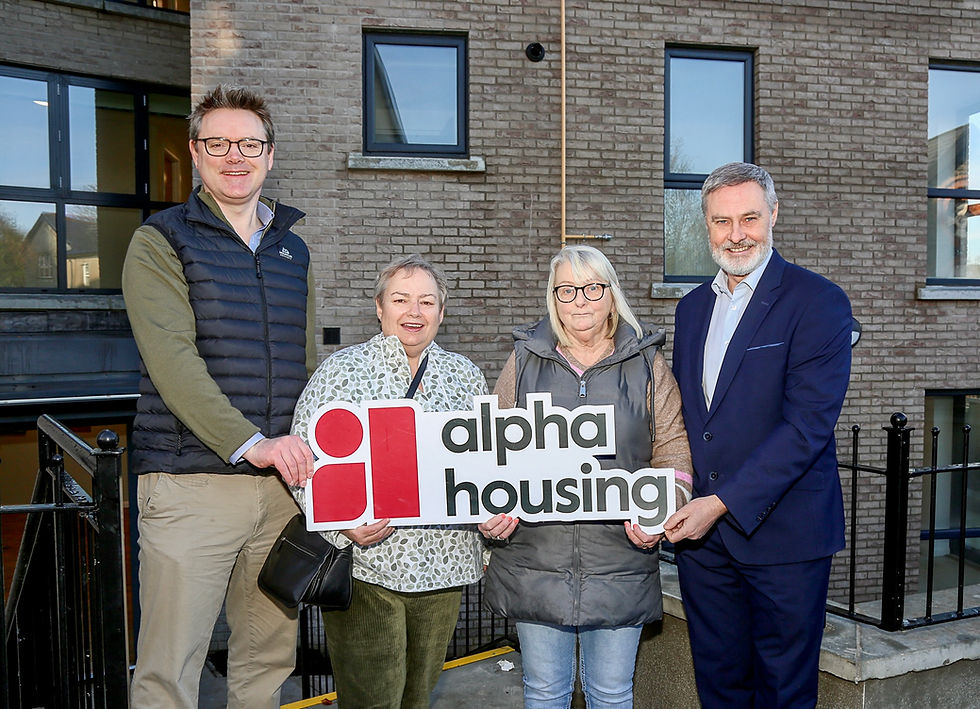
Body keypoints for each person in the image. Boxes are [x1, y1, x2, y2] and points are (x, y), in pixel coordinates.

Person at [122, 85, 316, 709]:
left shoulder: (293, 249)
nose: (236, 156)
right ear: (195, 153)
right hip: (188, 484)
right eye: (218, 143)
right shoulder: (161, 241)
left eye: (250, 144)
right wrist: (251, 443)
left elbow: (308, 363)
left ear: (270, 153)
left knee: (267, 661)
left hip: (282, 487)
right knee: (169, 668)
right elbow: (172, 362)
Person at [664, 162, 852, 709]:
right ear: (706, 226)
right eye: (722, 222)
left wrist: (719, 502)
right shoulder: (692, 307)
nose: (736, 233)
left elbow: (807, 426)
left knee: (785, 691)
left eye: (749, 217)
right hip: (706, 546)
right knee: (719, 686)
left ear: (774, 214)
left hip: (785, 539)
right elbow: (690, 419)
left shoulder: (818, 302)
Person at [480, 245, 693, 709]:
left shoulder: (648, 367)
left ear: (611, 295)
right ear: (553, 299)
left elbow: (673, 449)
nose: (581, 299)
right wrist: (489, 507)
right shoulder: (523, 361)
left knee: (612, 694)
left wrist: (663, 509)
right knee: (544, 692)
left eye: (593, 287)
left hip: (619, 559)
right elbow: (490, 452)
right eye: (567, 289)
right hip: (536, 560)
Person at [289, 253, 488, 709]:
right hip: (369, 566)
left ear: (441, 311)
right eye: (400, 299)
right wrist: (341, 526)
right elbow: (303, 460)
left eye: (426, 301)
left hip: (445, 564)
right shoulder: (340, 372)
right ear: (379, 307)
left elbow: (483, 467)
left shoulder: (466, 376)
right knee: (371, 700)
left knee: (417, 697)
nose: (413, 312)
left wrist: (486, 539)